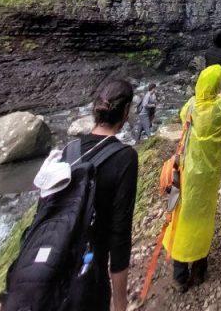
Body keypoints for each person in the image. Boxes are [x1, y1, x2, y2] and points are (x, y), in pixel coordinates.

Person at [163, 65, 221, 292]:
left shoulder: (192, 105)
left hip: (188, 172)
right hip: (209, 174)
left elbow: (183, 115)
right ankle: (199, 269)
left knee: (182, 215)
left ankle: (179, 274)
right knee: (204, 217)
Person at [80, 78, 138, 311]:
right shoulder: (125, 158)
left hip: (49, 272)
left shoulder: (66, 152)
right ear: (125, 112)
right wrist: (120, 303)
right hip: (90, 275)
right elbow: (119, 235)